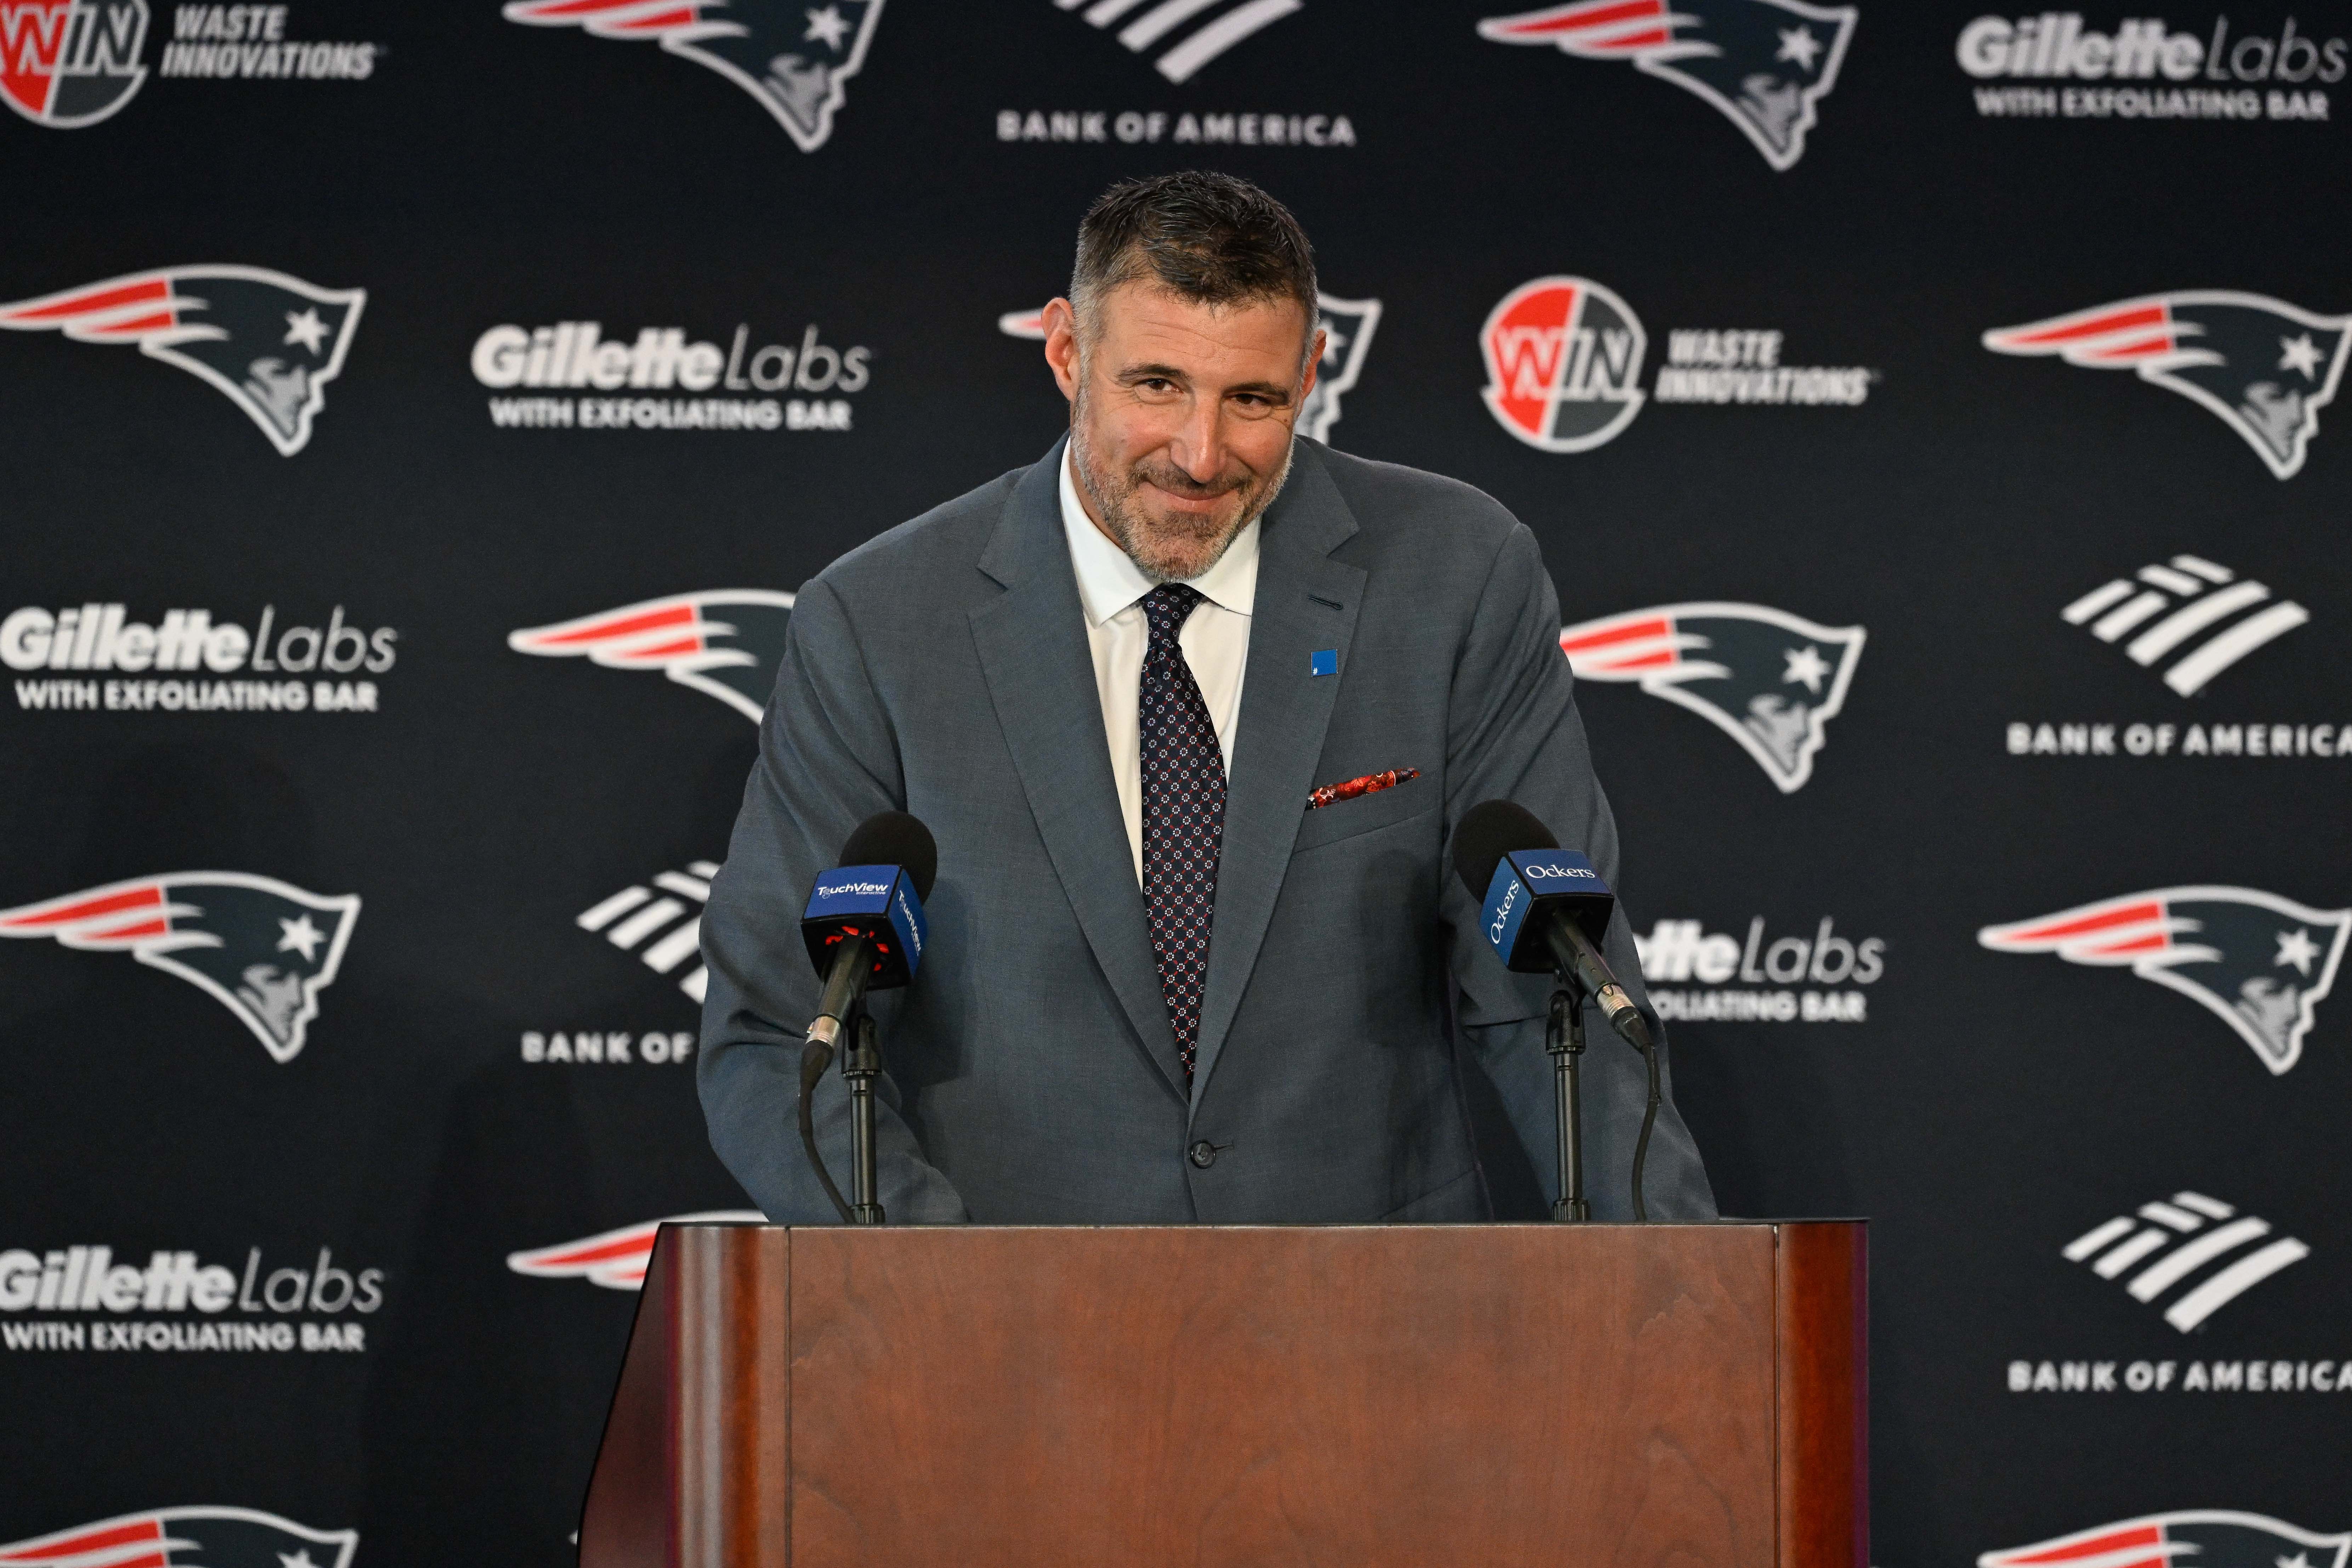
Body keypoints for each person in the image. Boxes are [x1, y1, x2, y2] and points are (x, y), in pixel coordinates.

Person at [698, 171, 1713, 1224]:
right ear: (1065, 353)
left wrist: (1676, 1302)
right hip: (1005, 1337)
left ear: (1313, 373)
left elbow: (1557, 994)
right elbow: (780, 1036)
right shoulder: (879, 621)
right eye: (1155, 386)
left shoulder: (1454, 577)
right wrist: (952, 1306)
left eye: (1253, 401)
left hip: (1372, 1328)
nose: (1200, 454)